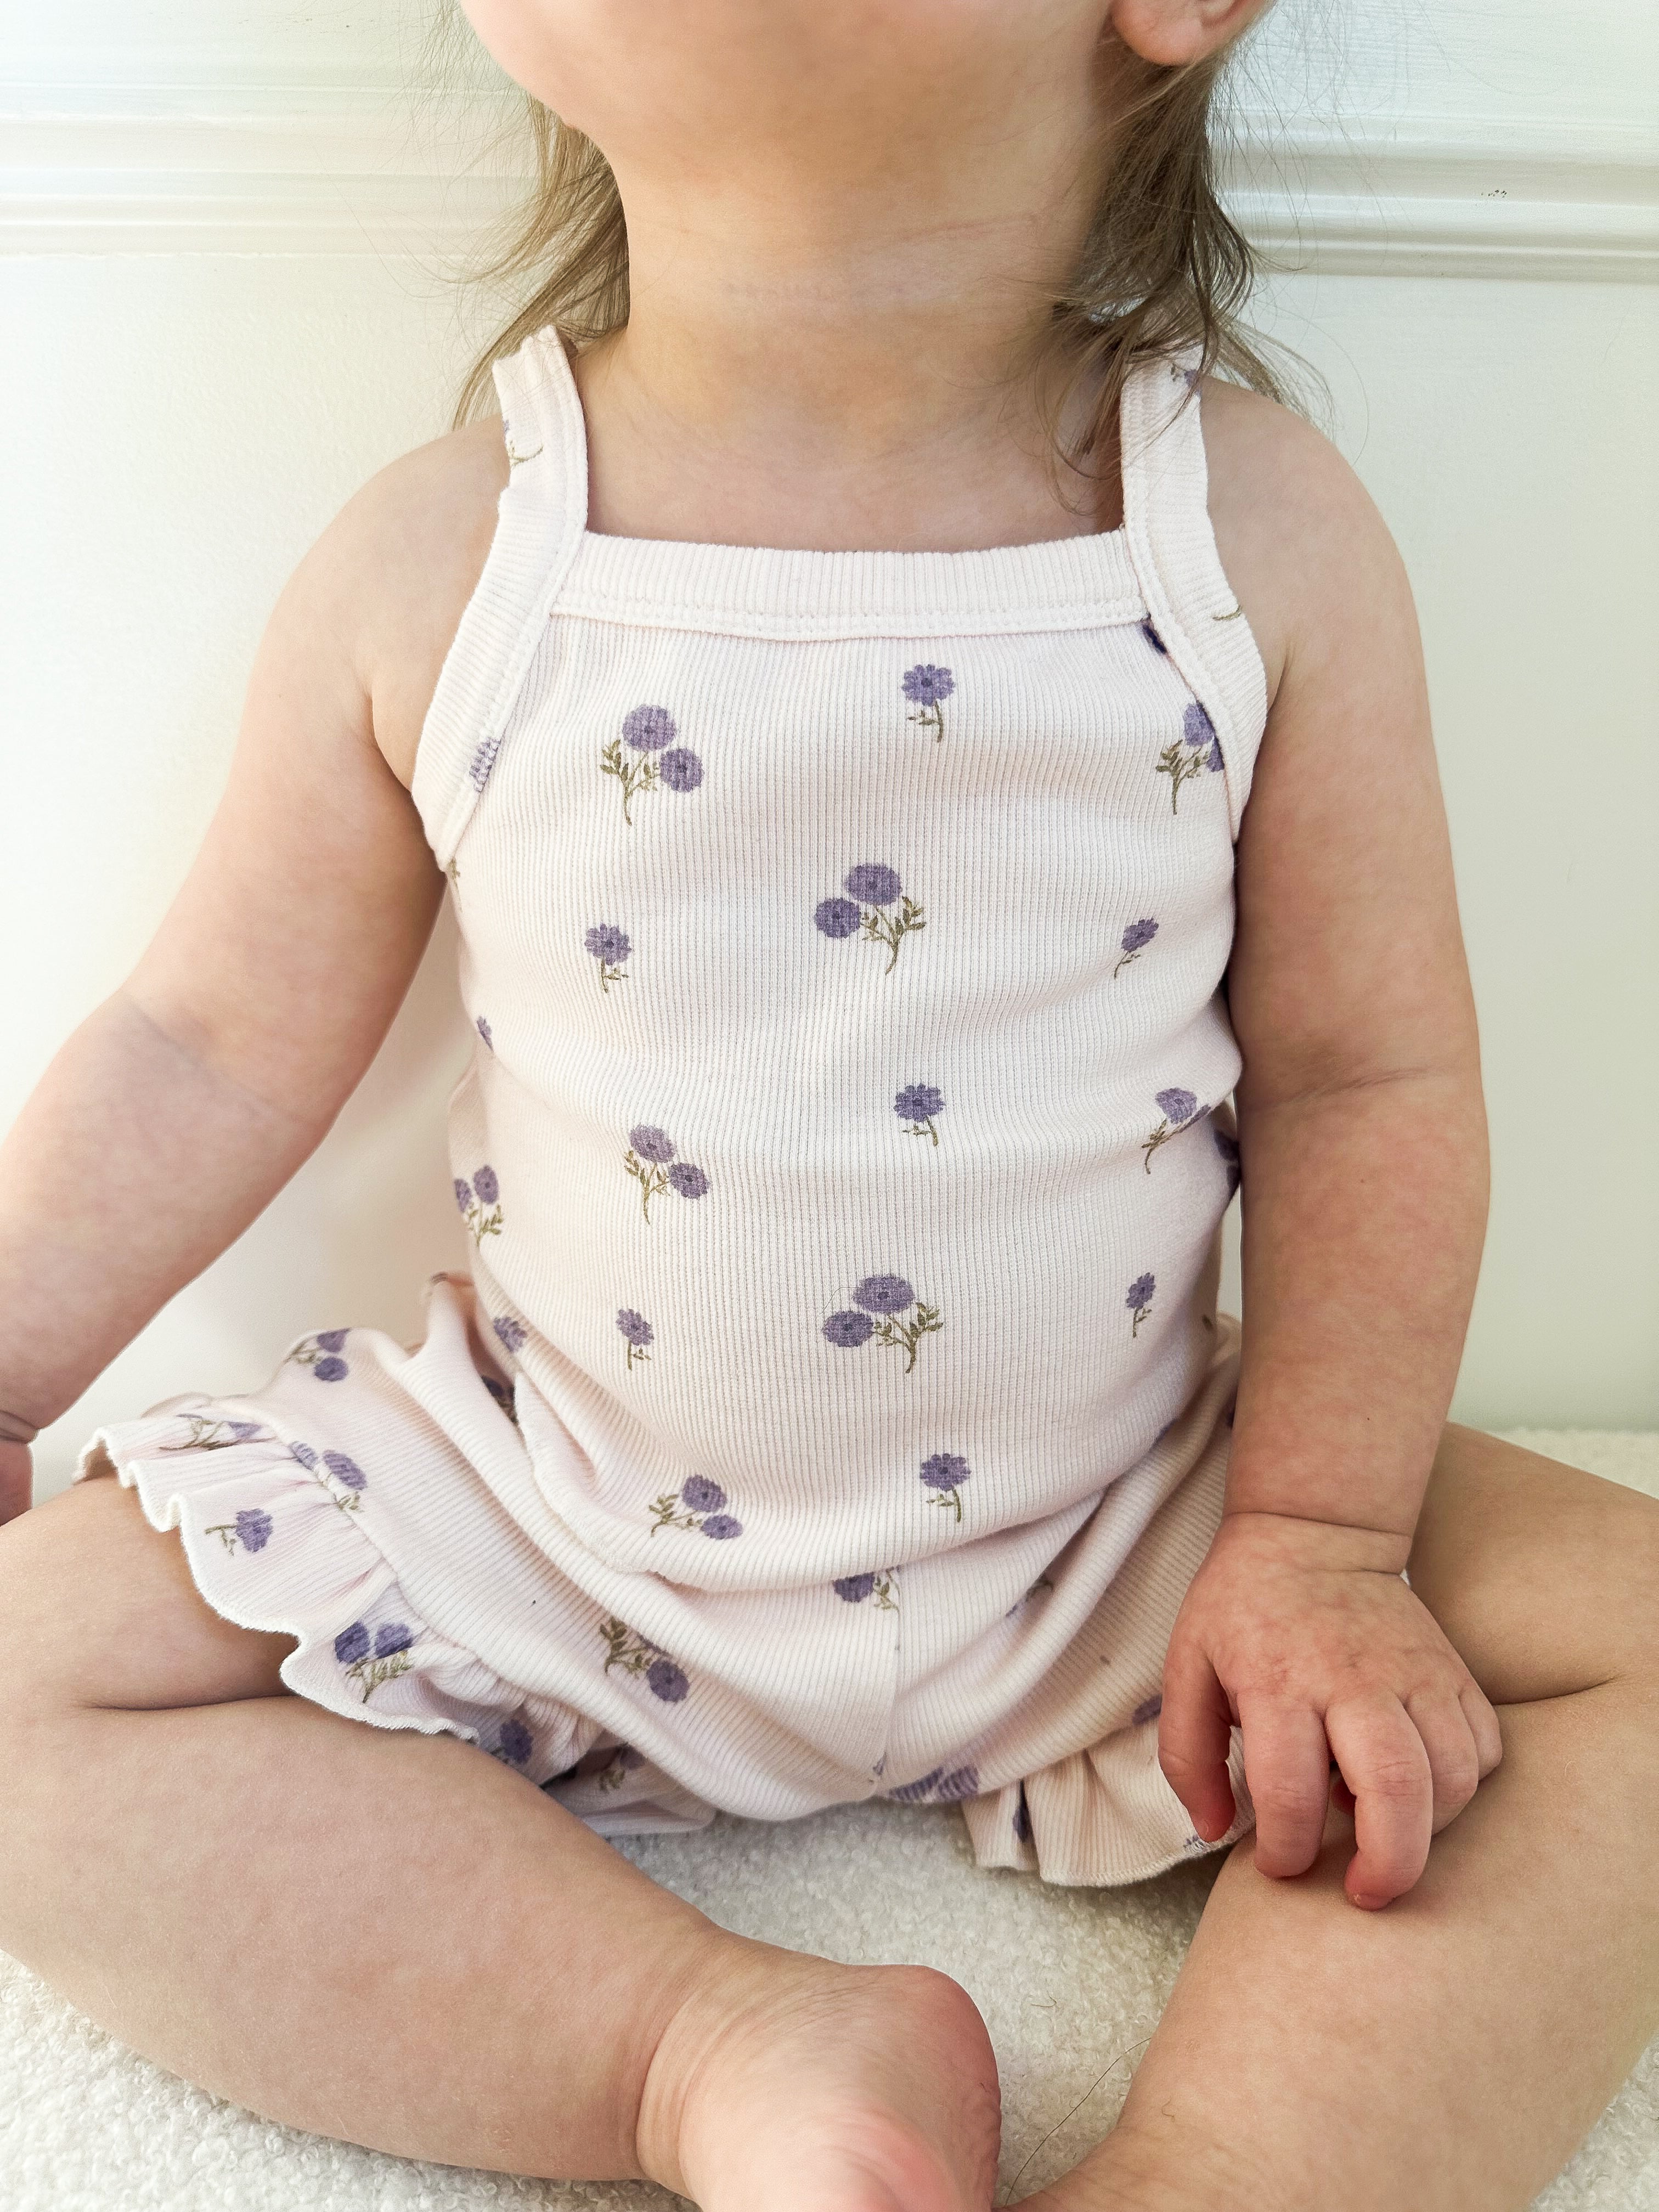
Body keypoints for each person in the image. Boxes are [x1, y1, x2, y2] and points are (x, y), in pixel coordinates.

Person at [1, 4, 1654, 2208]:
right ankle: (708, 2052)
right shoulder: (455, 556)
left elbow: (1364, 1077)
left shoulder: (1244, 530)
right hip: (570, 1520)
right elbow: (203, 1045)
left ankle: (1235, 2171)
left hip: (1135, 1533)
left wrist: (1325, 1541)